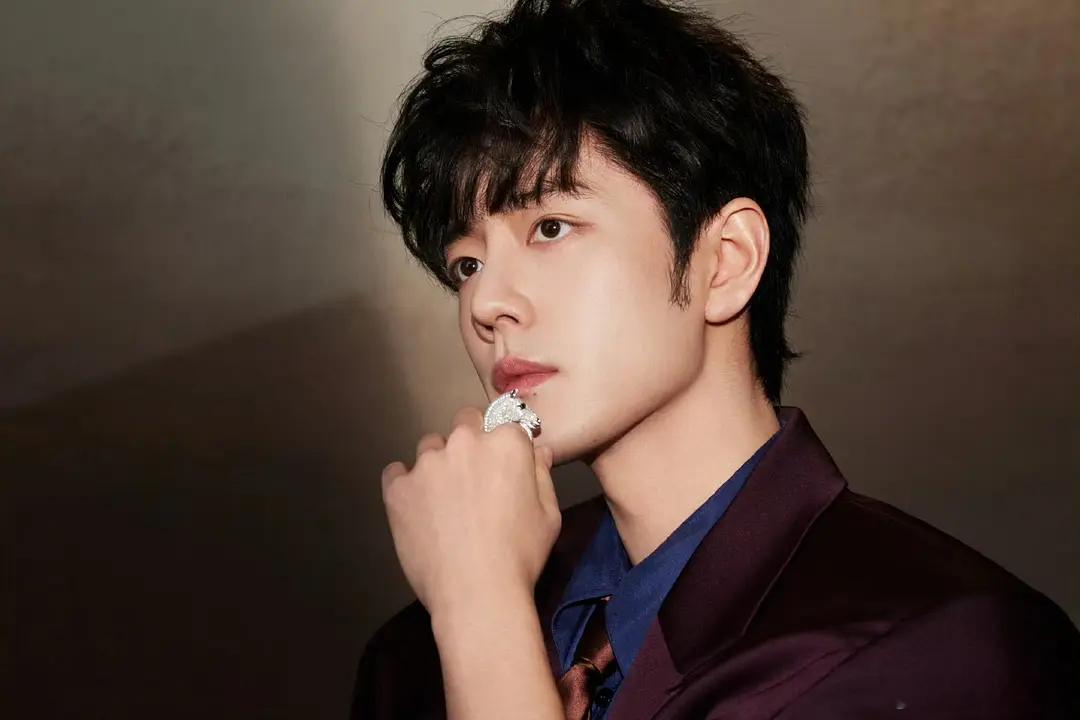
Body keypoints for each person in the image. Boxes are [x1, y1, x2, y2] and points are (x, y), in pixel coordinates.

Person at [351, 0, 1080, 717]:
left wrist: (481, 607)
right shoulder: (416, 658)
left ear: (726, 260)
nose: (485, 303)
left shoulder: (939, 647)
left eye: (550, 227)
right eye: (467, 264)